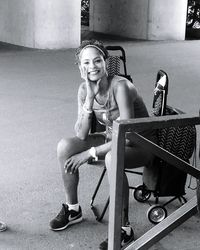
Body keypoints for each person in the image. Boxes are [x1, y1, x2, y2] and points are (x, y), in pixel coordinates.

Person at [49, 40, 156, 249]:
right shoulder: (83, 89)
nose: (92, 67)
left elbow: (126, 136)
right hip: (111, 138)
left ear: (106, 62)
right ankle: (73, 209)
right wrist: (89, 98)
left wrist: (90, 153)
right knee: (65, 146)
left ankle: (124, 230)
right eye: (86, 63)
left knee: (110, 157)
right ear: (80, 67)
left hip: (140, 145)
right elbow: (80, 135)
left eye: (97, 61)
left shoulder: (121, 87)